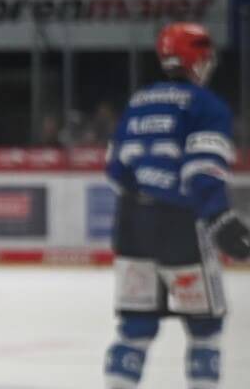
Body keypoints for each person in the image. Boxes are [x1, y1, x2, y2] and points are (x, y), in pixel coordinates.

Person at [103, 22, 250, 389]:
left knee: (135, 327)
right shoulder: (207, 105)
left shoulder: (138, 101)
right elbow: (201, 172)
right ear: (195, 59)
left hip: (132, 224)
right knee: (205, 328)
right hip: (180, 225)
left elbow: (115, 168)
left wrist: (147, 192)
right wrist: (220, 218)